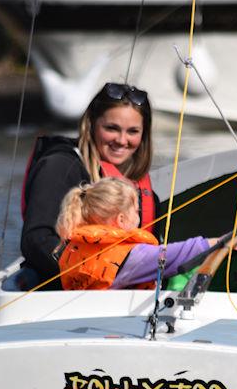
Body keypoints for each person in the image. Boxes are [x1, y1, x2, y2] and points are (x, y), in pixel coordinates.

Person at [20, 82, 158, 289]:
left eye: (133, 131)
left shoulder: (144, 194)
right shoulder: (58, 166)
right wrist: (92, 274)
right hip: (61, 295)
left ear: (143, 135)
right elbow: (36, 241)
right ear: (92, 124)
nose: (122, 140)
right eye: (111, 128)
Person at [55, 177, 222, 290]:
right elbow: (171, 256)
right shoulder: (124, 256)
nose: (139, 216)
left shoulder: (76, 248)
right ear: (121, 220)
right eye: (136, 211)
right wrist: (219, 242)